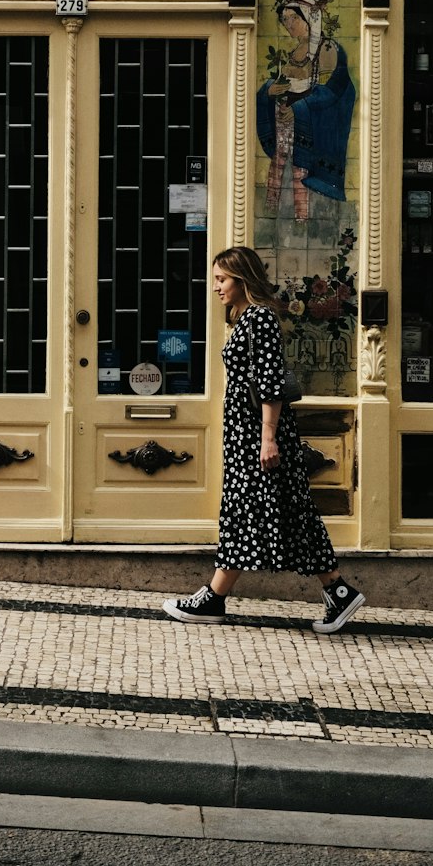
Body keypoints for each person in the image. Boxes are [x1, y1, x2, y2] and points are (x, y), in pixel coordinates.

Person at [162, 245, 365, 634]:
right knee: (283, 510)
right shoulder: (249, 319)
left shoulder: (259, 319)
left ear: (243, 280)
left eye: (222, 279)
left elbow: (270, 383)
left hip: (259, 434)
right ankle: (336, 591)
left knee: (257, 510)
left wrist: (267, 439)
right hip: (248, 434)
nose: (216, 287)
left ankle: (214, 598)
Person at [256, 0, 355, 220]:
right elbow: (283, 82)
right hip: (284, 120)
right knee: (278, 166)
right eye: (285, 20)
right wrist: (270, 90)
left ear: (308, 18)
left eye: (292, 18)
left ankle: (303, 219)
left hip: (306, 121)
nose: (288, 25)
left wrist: (298, 107)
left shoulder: (327, 48)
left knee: (301, 168)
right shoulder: (294, 51)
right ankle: (270, 215)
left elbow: (332, 90)